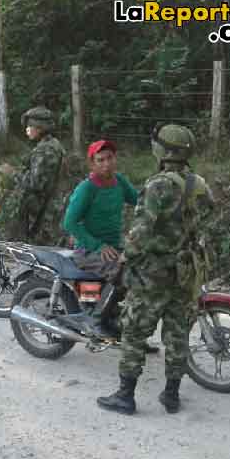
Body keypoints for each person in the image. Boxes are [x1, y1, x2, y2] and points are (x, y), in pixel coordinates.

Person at [97, 123, 214, 415]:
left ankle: (126, 396)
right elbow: (208, 212)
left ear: (162, 151)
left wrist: (125, 257)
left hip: (153, 274)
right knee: (177, 334)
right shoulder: (198, 183)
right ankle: (171, 395)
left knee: (135, 332)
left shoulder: (158, 184)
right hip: (185, 271)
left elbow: (142, 230)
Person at [62, 140, 159, 353]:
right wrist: (97, 245)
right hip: (88, 250)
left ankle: (127, 331)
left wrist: (162, 204)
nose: (106, 163)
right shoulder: (86, 188)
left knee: (144, 274)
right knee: (122, 271)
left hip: (115, 247)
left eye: (110, 158)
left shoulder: (119, 182)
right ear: (92, 164)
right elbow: (69, 223)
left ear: (116, 159)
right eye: (100, 160)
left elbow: (140, 202)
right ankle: (96, 320)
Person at [0, 106, 66, 241]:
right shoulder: (53, 145)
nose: (27, 129)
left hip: (44, 213)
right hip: (50, 208)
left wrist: (12, 173)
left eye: (30, 126)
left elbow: (35, 184)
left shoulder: (44, 150)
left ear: (40, 128)